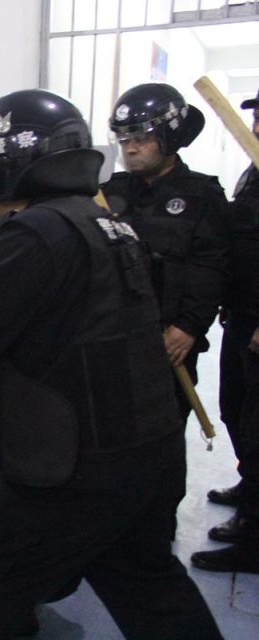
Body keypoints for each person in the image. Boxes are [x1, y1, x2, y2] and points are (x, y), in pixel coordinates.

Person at [0, 89, 221, 638]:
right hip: (147, 451)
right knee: (147, 584)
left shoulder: (37, 233)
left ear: (4, 164)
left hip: (80, 469)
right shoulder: (101, 221)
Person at [102, 83, 230, 421]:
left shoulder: (202, 194)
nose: (130, 149)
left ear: (168, 138)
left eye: (140, 139)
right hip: (110, 335)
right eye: (125, 140)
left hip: (168, 340)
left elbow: (211, 265)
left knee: (162, 427)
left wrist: (189, 326)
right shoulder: (106, 193)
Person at [191, 88, 259, 574]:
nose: (257, 126)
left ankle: (255, 540)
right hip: (243, 316)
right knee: (237, 410)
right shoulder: (255, 170)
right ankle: (251, 486)